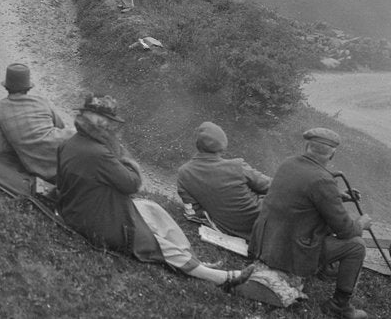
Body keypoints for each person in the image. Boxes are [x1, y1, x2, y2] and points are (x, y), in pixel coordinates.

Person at [56, 94, 254, 289]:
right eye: (107, 121)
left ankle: (192, 260)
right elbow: (132, 184)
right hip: (98, 223)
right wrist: (119, 151)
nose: (110, 126)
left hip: (77, 211)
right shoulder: (99, 153)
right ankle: (219, 277)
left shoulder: (70, 142)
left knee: (152, 208)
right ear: (99, 122)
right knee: (153, 240)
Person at [249, 128, 371, 319]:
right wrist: (362, 224)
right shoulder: (323, 181)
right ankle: (339, 306)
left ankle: (325, 271)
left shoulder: (288, 163)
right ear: (332, 154)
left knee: (324, 228)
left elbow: (301, 195)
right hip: (289, 251)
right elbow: (346, 230)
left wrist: (337, 197)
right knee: (356, 246)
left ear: (307, 146)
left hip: (265, 243)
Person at [176, 121, 270, 239]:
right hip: (265, 222)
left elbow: (193, 213)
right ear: (222, 147)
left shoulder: (183, 173)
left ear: (197, 144)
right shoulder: (237, 166)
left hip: (229, 229)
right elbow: (273, 186)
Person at [0, 63, 74, 182]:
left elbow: (0, 147)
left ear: (7, 87)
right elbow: (60, 126)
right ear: (28, 88)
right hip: (67, 148)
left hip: (43, 169)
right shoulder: (41, 101)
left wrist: (20, 144)